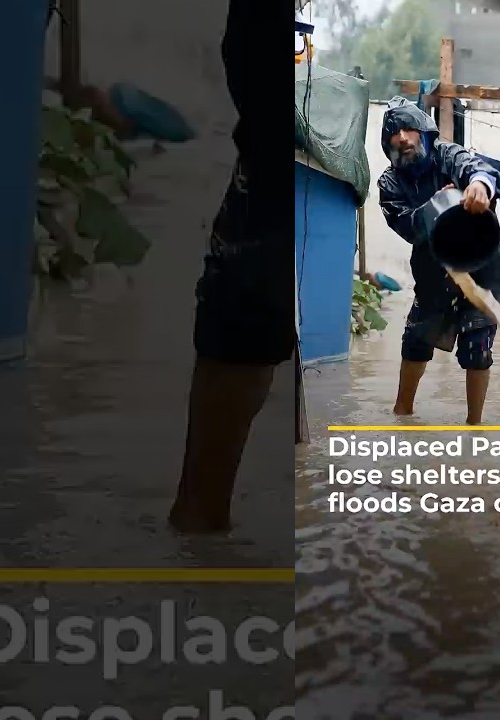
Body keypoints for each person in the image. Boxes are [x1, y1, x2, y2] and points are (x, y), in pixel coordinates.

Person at [168, 0, 287, 534]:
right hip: (271, 136)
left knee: (247, 303)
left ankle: (199, 526)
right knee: (247, 306)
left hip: (275, 126)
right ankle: (199, 521)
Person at [376, 98, 500, 425]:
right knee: (415, 343)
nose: (404, 138)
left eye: (409, 129)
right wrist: (437, 205)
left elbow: (480, 169)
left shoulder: (448, 155)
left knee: (478, 352)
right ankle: (402, 415)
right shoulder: (389, 183)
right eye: (395, 134)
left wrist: (479, 185)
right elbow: (406, 226)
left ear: (424, 132)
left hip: (482, 268)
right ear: (388, 144)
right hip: (434, 272)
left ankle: (474, 428)